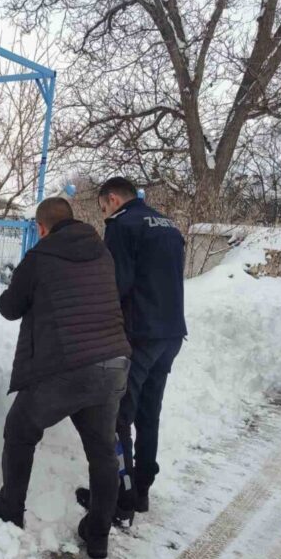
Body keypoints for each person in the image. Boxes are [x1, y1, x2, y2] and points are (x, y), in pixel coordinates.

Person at [0, 197, 131, 559]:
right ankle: (98, 534)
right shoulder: (102, 252)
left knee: (20, 430)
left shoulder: (39, 257)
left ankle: (11, 509)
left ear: (41, 228)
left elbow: (10, 308)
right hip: (114, 362)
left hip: (67, 367)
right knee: (103, 452)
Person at [97, 177, 187, 524]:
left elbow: (117, 285)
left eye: (104, 207)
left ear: (114, 199)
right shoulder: (168, 226)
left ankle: (121, 498)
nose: (105, 212)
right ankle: (143, 490)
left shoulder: (122, 226)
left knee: (119, 417)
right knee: (149, 415)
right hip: (171, 334)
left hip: (139, 336)